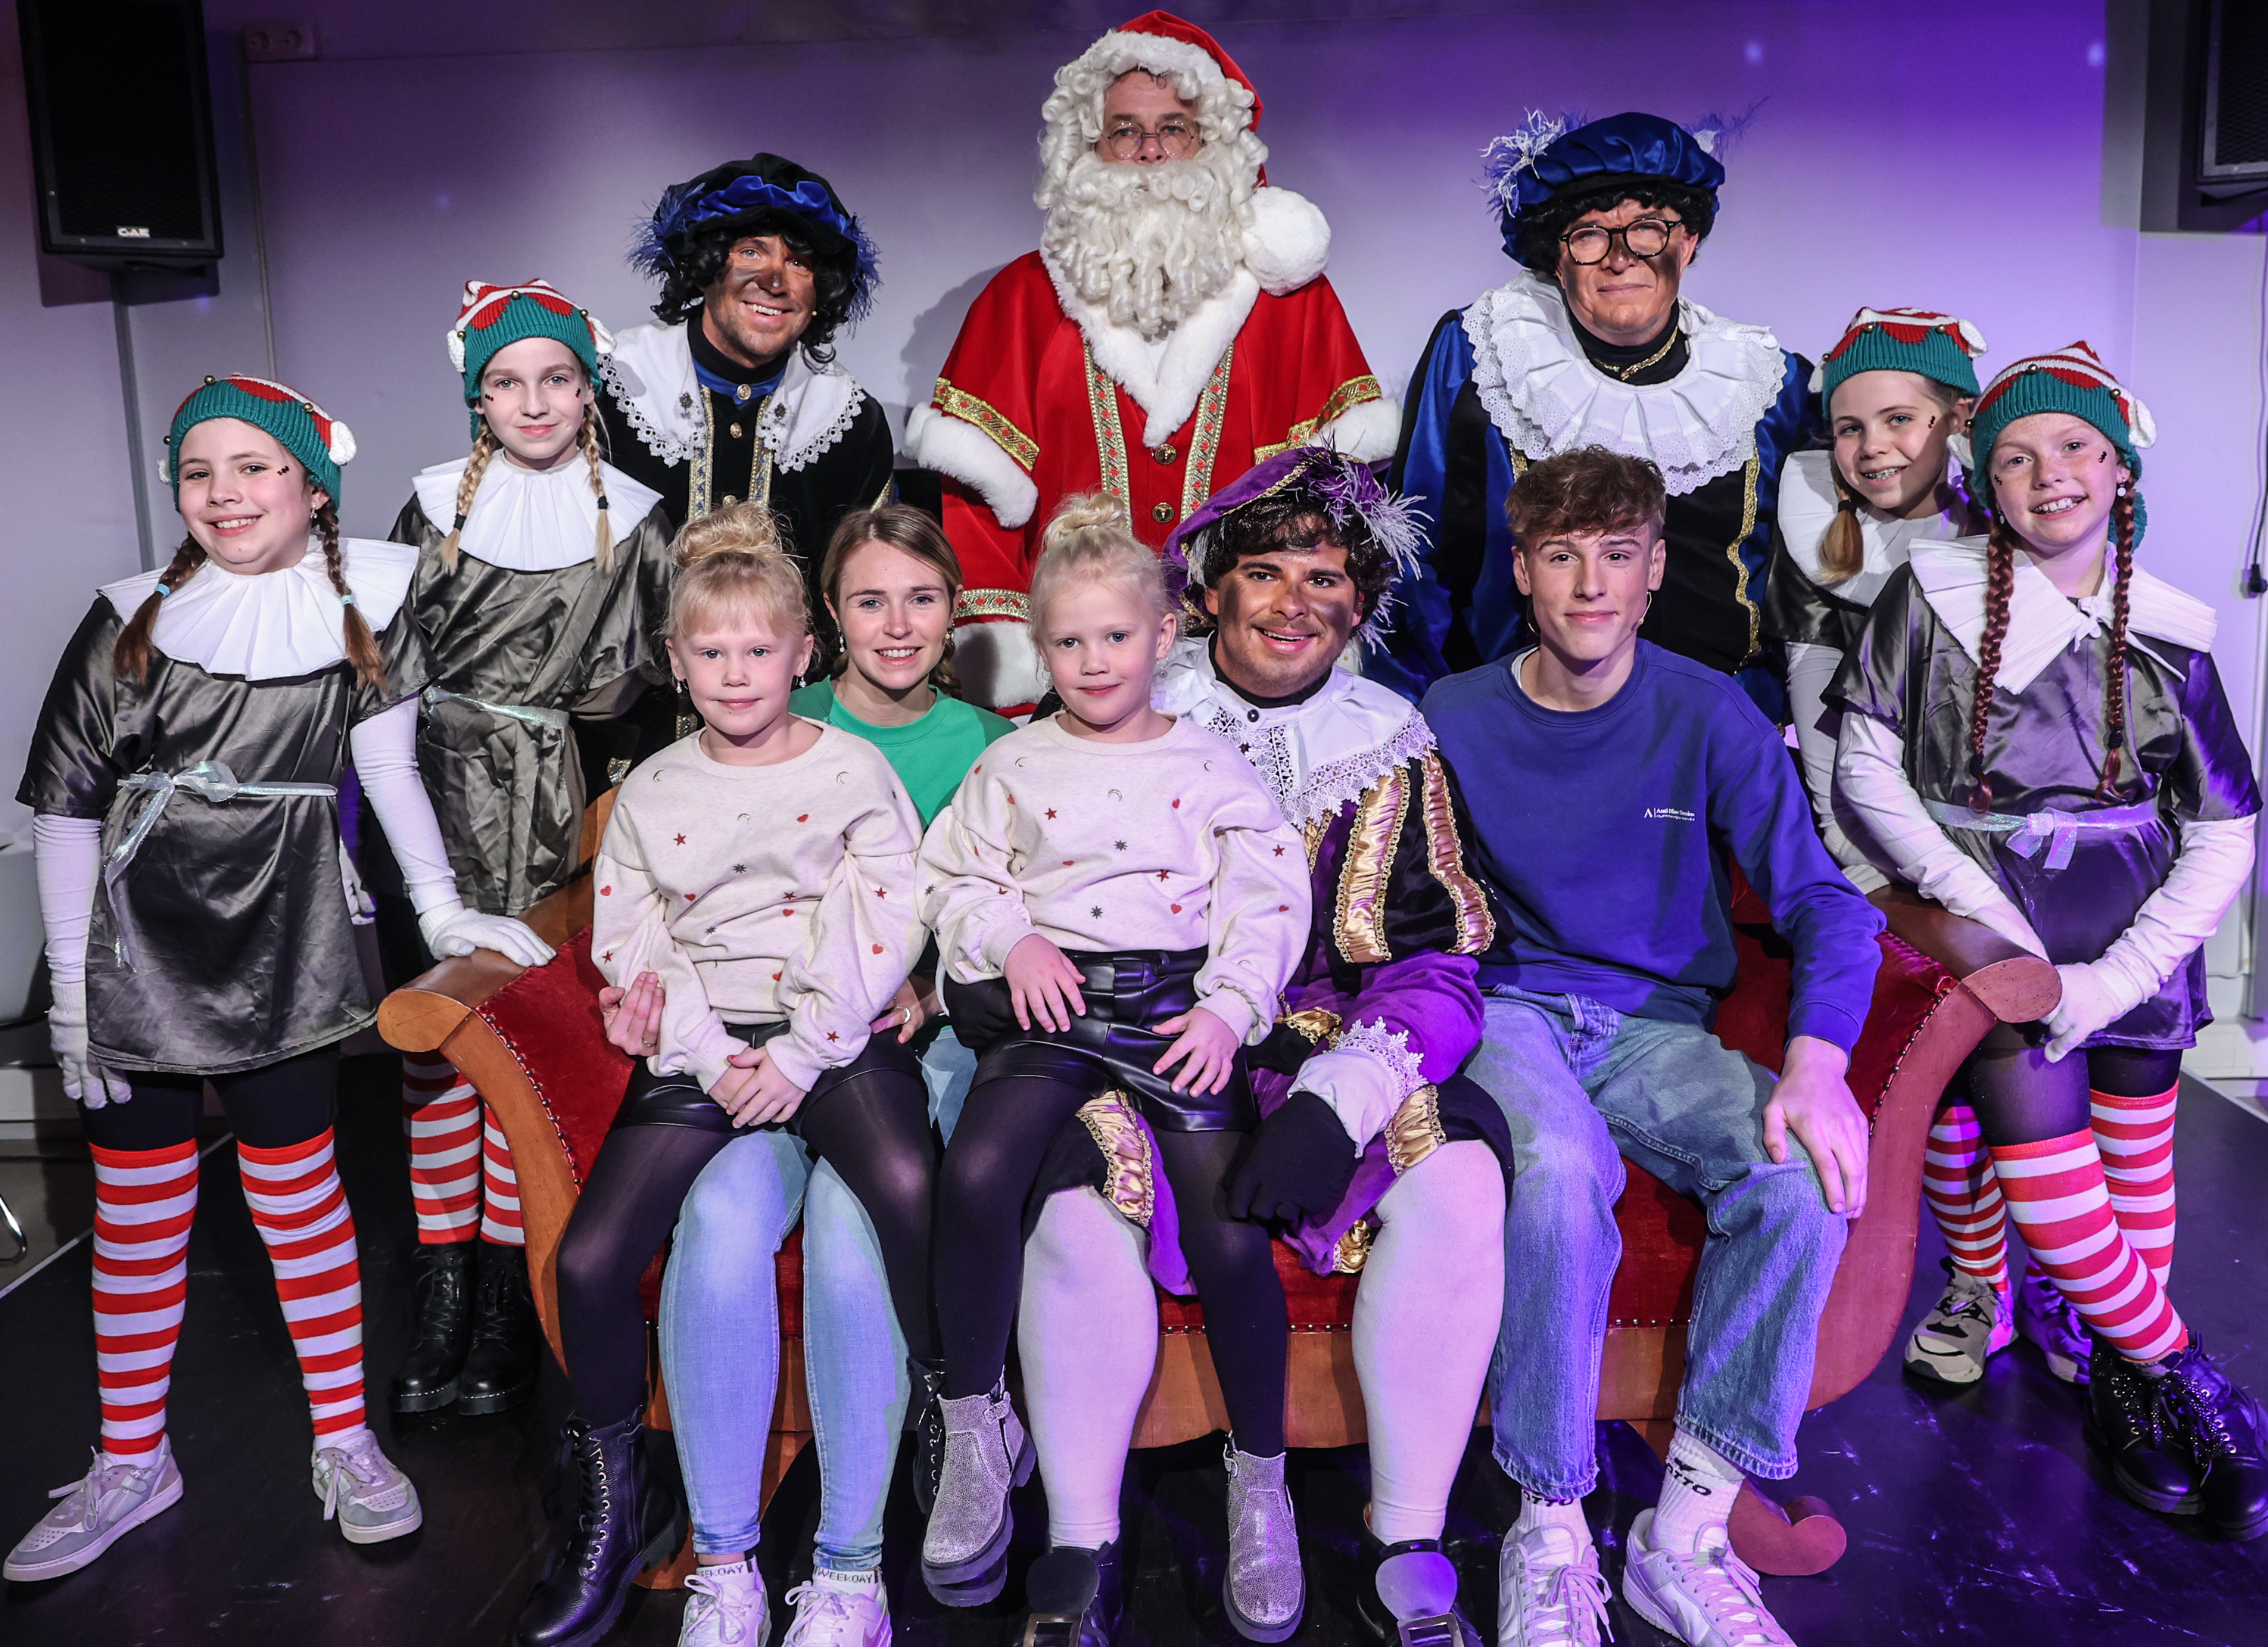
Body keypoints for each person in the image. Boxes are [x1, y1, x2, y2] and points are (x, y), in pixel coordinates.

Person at [5, 375, 550, 1583]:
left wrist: (444, 912)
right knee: (138, 1215)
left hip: (282, 938)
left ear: (313, 486)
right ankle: (131, 1459)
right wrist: (75, 999)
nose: (225, 492)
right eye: (200, 472)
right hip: (133, 949)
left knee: (300, 1196)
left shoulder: (367, 610)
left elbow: (391, 776)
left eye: (254, 467)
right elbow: (66, 814)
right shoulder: (129, 622)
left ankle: (344, 1440)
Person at [1005, 448, 1505, 1647]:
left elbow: (1441, 963)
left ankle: (1407, 1540)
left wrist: (1340, 1097)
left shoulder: (1392, 743)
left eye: (1325, 578)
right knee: (1073, 1207)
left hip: (1329, 1044)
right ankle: (1082, 1543)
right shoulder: (1118, 704)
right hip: (1143, 1039)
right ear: (1212, 591)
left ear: (1360, 601)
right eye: (1266, 573)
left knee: (1464, 1181)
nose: (1293, 604)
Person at [1425, 446, 1883, 1647]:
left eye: (1616, 556)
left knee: (1800, 1179)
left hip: (1656, 1028)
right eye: (1562, 556)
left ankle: (1684, 1534)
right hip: (1510, 1012)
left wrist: (1819, 1063)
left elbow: (1825, 903)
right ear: (1522, 571)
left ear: (1655, 570)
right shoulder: (1453, 715)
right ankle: (1549, 1527)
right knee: (1558, 1172)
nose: (1590, 585)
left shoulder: (1707, 710)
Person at [1832, 344, 2268, 1542]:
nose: (2049, 473)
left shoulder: (2174, 633)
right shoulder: (1928, 598)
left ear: (2120, 469)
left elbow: (2225, 827)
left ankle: (2125, 1378)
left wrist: (2120, 974)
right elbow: (1867, 767)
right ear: (1986, 480)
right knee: (2037, 1158)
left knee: (2135, 1165)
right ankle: (2186, 1371)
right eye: (2016, 456)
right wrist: (2003, 936)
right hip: (1995, 934)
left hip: (2137, 934)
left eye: (2074, 446)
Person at [509, 507, 930, 1647]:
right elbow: (633, 940)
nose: (735, 673)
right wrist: (710, 1055)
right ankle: (623, 1510)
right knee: (590, 1260)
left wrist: (798, 1051)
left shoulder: (851, 770)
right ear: (676, 660)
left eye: (758, 650)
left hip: (830, 1034)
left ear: (804, 654)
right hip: (705, 1043)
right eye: (710, 652)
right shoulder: (652, 789)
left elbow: (885, 915)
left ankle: (949, 1434)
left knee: (904, 1189)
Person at [916, 496, 1310, 1628]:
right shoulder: (1014, 762)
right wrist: (1013, 939)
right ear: (1040, 648)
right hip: (1051, 1004)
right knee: (976, 1177)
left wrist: (1229, 1010)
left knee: (1227, 1232)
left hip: (1172, 1007)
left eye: (1117, 636)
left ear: (1166, 634)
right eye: (1068, 641)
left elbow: (1266, 899)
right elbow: (956, 877)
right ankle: (977, 1421)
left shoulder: (1212, 761)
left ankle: (1261, 1476)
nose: (1093, 661)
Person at [631, 506, 1012, 1647]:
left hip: (911, 1045)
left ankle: (852, 1568)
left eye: (921, 598)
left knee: (853, 1227)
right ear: (824, 623)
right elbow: (683, 899)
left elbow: (1010, 908)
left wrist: (928, 993)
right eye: (868, 600)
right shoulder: (764, 710)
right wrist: (651, 993)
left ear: (955, 612)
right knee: (719, 1218)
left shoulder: (994, 742)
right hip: (763, 1048)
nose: (896, 625)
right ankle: (724, 1562)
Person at [905, 9, 1397, 713]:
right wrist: (1006, 654)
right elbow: (976, 509)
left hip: (1251, 673)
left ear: (1211, 144)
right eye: (1124, 131)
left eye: (1174, 128)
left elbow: (1338, 501)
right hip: (1077, 671)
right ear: (1088, 148)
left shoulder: (1295, 306)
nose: (1150, 152)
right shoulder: (1019, 301)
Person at [378, 279, 676, 1421]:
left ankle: (507, 1286)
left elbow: (666, 685)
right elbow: (384, 686)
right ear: (477, 398)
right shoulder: (426, 513)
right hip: (434, 796)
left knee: (517, 1036)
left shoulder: (635, 522)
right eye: (506, 382)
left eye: (556, 378)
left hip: (555, 798)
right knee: (430, 1051)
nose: (534, 401)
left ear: (589, 390)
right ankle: (443, 1284)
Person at [1379, 111, 1815, 717]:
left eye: (1648, 229)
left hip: (1716, 723)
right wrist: (1441, 720)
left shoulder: (1769, 381)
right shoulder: (1483, 354)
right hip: (1523, 718)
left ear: (1688, 243)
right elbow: (1415, 558)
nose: (1620, 258)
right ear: (1556, 259)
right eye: (1589, 235)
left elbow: (1806, 585)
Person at [594, 151, 896, 780]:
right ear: (706, 266)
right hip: (614, 749)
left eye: (800, 262)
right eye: (752, 252)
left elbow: (861, 602)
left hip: (788, 756)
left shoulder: (849, 420)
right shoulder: (613, 390)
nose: (776, 280)